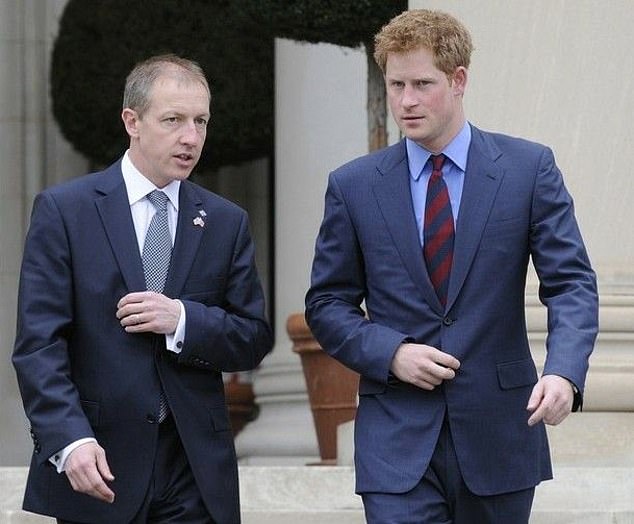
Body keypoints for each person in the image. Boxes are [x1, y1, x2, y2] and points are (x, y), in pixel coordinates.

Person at [305, 9, 598, 524]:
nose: (406, 101)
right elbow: (327, 304)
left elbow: (571, 282)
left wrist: (564, 372)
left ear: (459, 80)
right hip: (396, 443)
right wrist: (391, 352)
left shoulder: (528, 170)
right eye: (396, 84)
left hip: (500, 434)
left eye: (422, 83)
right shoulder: (352, 185)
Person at [13, 54, 272, 524]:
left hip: (193, 472)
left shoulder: (225, 221)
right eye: (173, 120)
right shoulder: (65, 212)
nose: (191, 137)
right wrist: (69, 440)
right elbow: (38, 346)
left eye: (201, 121)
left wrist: (184, 321)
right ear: (131, 121)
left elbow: (253, 338)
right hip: (99, 466)